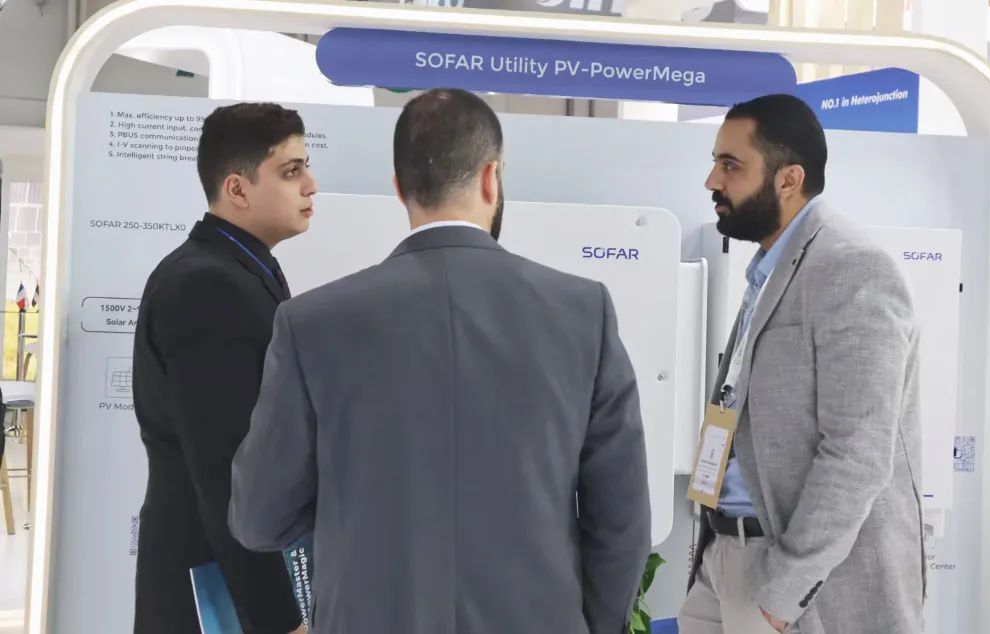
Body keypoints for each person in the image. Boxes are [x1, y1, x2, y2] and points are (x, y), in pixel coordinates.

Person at [229, 88, 652, 634]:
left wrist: (349, 511)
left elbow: (259, 517)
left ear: (400, 188)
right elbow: (620, 519)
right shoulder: (583, 312)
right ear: (491, 178)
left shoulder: (310, 323)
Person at [679, 94, 924, 634]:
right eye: (716, 162)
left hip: (791, 581)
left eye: (731, 165)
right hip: (724, 557)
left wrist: (783, 593)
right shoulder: (769, 268)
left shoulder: (853, 268)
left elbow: (858, 453)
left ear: (789, 179)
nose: (712, 181)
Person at [132, 102, 316, 634]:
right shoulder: (208, 286)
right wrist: (281, 620)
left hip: (228, 574)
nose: (311, 185)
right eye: (291, 171)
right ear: (237, 188)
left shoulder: (242, 270)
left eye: (305, 167)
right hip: (214, 587)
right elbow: (226, 475)